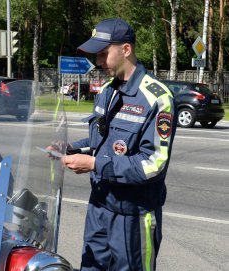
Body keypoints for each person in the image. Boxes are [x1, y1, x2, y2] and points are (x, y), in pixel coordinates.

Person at [62, 18, 176, 270]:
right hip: (99, 208)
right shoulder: (106, 90)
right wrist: (70, 147)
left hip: (133, 217)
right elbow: (99, 142)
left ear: (126, 49)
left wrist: (95, 164)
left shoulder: (157, 98)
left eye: (103, 54)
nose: (99, 62)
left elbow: (153, 163)